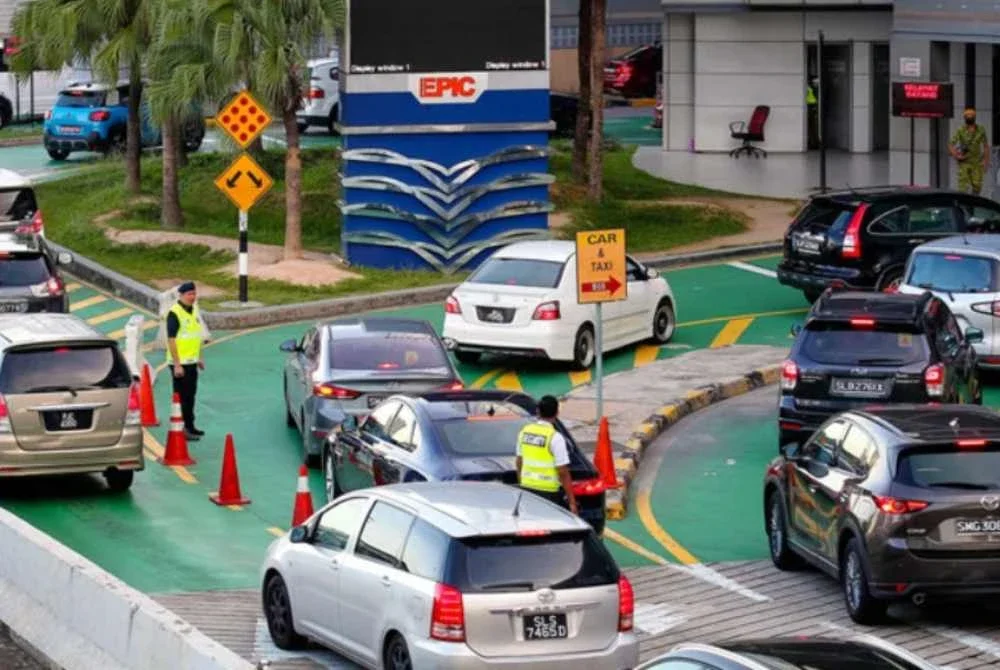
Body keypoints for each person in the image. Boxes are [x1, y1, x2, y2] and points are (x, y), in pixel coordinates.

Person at [515, 395, 578, 514]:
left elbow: (519, 462)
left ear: (538, 411)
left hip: (527, 489)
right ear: (557, 413)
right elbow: (563, 472)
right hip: (549, 493)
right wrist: (572, 502)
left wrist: (522, 483)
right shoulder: (555, 437)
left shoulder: (524, 432)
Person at [165, 281, 206, 441]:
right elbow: (171, 340)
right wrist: (177, 364)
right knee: (182, 397)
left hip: (191, 362)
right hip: (180, 364)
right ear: (181, 295)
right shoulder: (174, 313)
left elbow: (196, 336)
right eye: (189, 294)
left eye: (194, 293)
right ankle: (182, 428)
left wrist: (199, 357)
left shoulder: (193, 310)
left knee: (191, 396)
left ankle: (190, 425)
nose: (192, 297)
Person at [949, 107, 990, 195]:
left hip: (976, 162)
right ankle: (964, 202)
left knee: (977, 186)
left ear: (974, 118)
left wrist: (986, 161)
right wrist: (956, 155)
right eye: (967, 116)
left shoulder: (981, 129)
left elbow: (986, 146)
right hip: (964, 162)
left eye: (971, 116)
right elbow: (951, 144)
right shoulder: (961, 130)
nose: (969, 118)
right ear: (965, 118)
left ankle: (973, 202)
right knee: (963, 188)